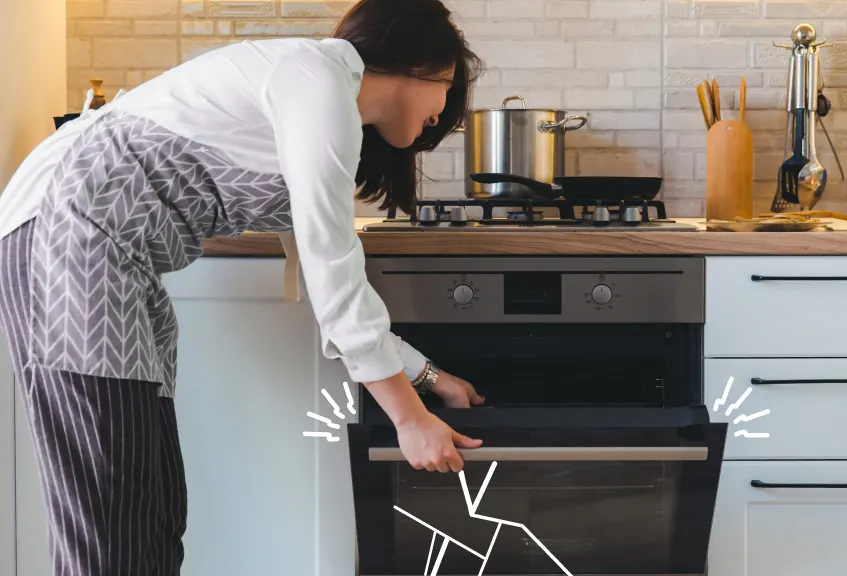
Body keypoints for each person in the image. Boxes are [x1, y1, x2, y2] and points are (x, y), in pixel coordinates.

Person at [0, 0, 487, 573]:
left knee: (152, 519)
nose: (443, 112)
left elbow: (325, 278)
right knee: (111, 529)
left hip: (112, 260)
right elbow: (335, 274)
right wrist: (410, 419)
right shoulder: (317, 81)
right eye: (448, 86)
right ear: (418, 64)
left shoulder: (322, 99)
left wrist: (428, 378)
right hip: (69, 238)